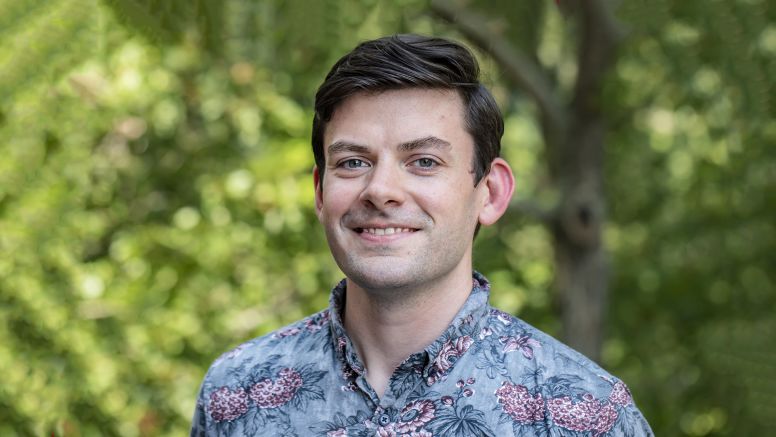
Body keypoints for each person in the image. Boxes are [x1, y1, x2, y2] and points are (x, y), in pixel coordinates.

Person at [190, 34, 653, 436]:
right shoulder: (237, 395)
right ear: (320, 190)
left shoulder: (585, 416)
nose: (381, 191)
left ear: (489, 193)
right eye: (353, 162)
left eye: (424, 162)